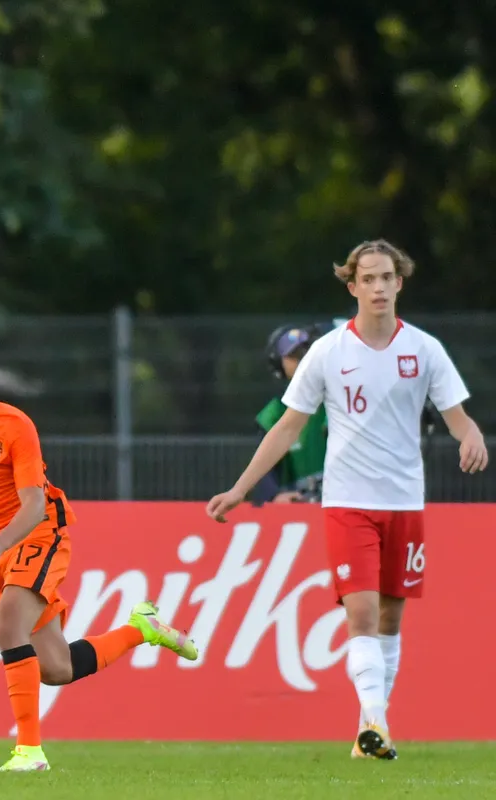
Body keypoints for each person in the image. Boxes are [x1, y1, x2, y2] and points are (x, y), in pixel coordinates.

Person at [206, 240, 488, 760]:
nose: (379, 287)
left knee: (390, 619)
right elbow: (287, 426)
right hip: (347, 502)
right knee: (359, 613)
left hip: (404, 502)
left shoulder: (424, 349)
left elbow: (457, 415)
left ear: (399, 283)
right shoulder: (329, 352)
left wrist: (471, 435)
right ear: (352, 285)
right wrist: (241, 488)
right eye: (369, 279)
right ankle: (377, 723)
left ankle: (367, 729)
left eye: (387, 278)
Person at [0, 330, 198, 772]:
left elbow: (32, 505)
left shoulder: (13, 424)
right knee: (56, 668)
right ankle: (141, 630)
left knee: (8, 624)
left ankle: (30, 752)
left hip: (39, 533)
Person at [251, 324, 328, 504]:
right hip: (300, 502)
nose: (302, 360)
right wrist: (274, 496)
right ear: (278, 363)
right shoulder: (273, 414)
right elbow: (263, 470)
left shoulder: (336, 399)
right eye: (294, 356)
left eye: (306, 353)